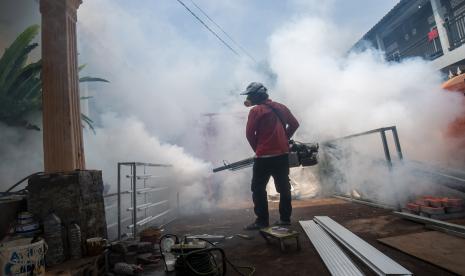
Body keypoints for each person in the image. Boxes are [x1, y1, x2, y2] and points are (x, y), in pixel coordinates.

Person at [241, 82, 300, 230]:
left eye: (250, 95)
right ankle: (285, 220)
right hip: (282, 155)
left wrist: (258, 149)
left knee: (258, 188)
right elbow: (294, 124)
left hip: (264, 158)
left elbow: (249, 134)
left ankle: (262, 221)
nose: (248, 98)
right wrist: (285, 139)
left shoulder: (256, 111)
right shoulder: (281, 107)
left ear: (256, 96)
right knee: (284, 188)